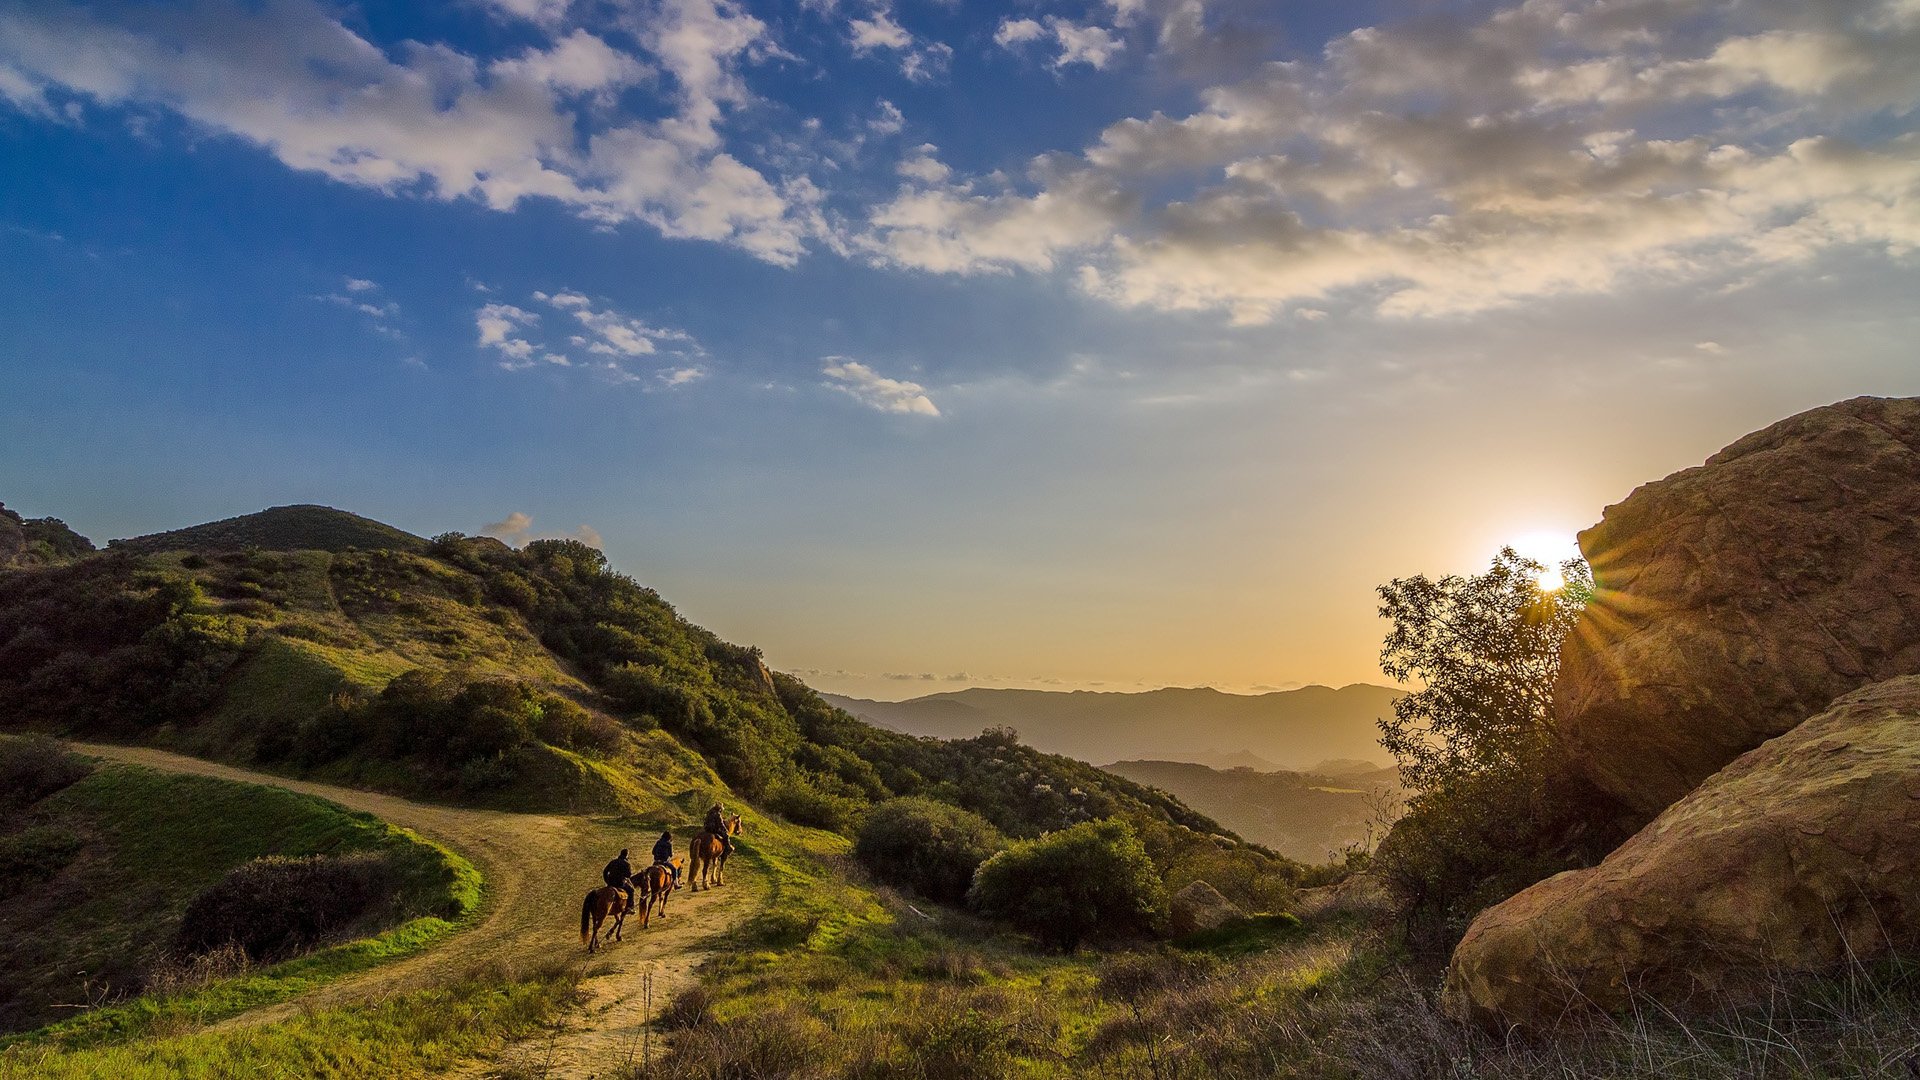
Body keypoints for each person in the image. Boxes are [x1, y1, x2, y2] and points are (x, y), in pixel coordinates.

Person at [603, 848, 635, 913]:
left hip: (611, 882)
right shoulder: (627, 864)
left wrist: (607, 880)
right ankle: (629, 907)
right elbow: (628, 875)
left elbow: (605, 871)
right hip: (620, 883)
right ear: (627, 855)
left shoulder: (613, 861)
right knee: (631, 890)